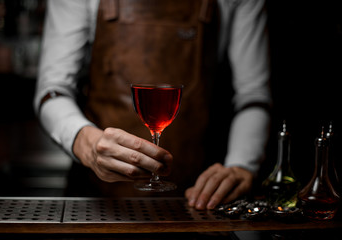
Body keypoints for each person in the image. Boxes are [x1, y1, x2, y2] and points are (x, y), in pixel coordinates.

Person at [34, 0, 271, 210]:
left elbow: (253, 95)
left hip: (198, 202)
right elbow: (52, 91)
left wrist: (242, 164)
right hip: (98, 203)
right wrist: (88, 144)